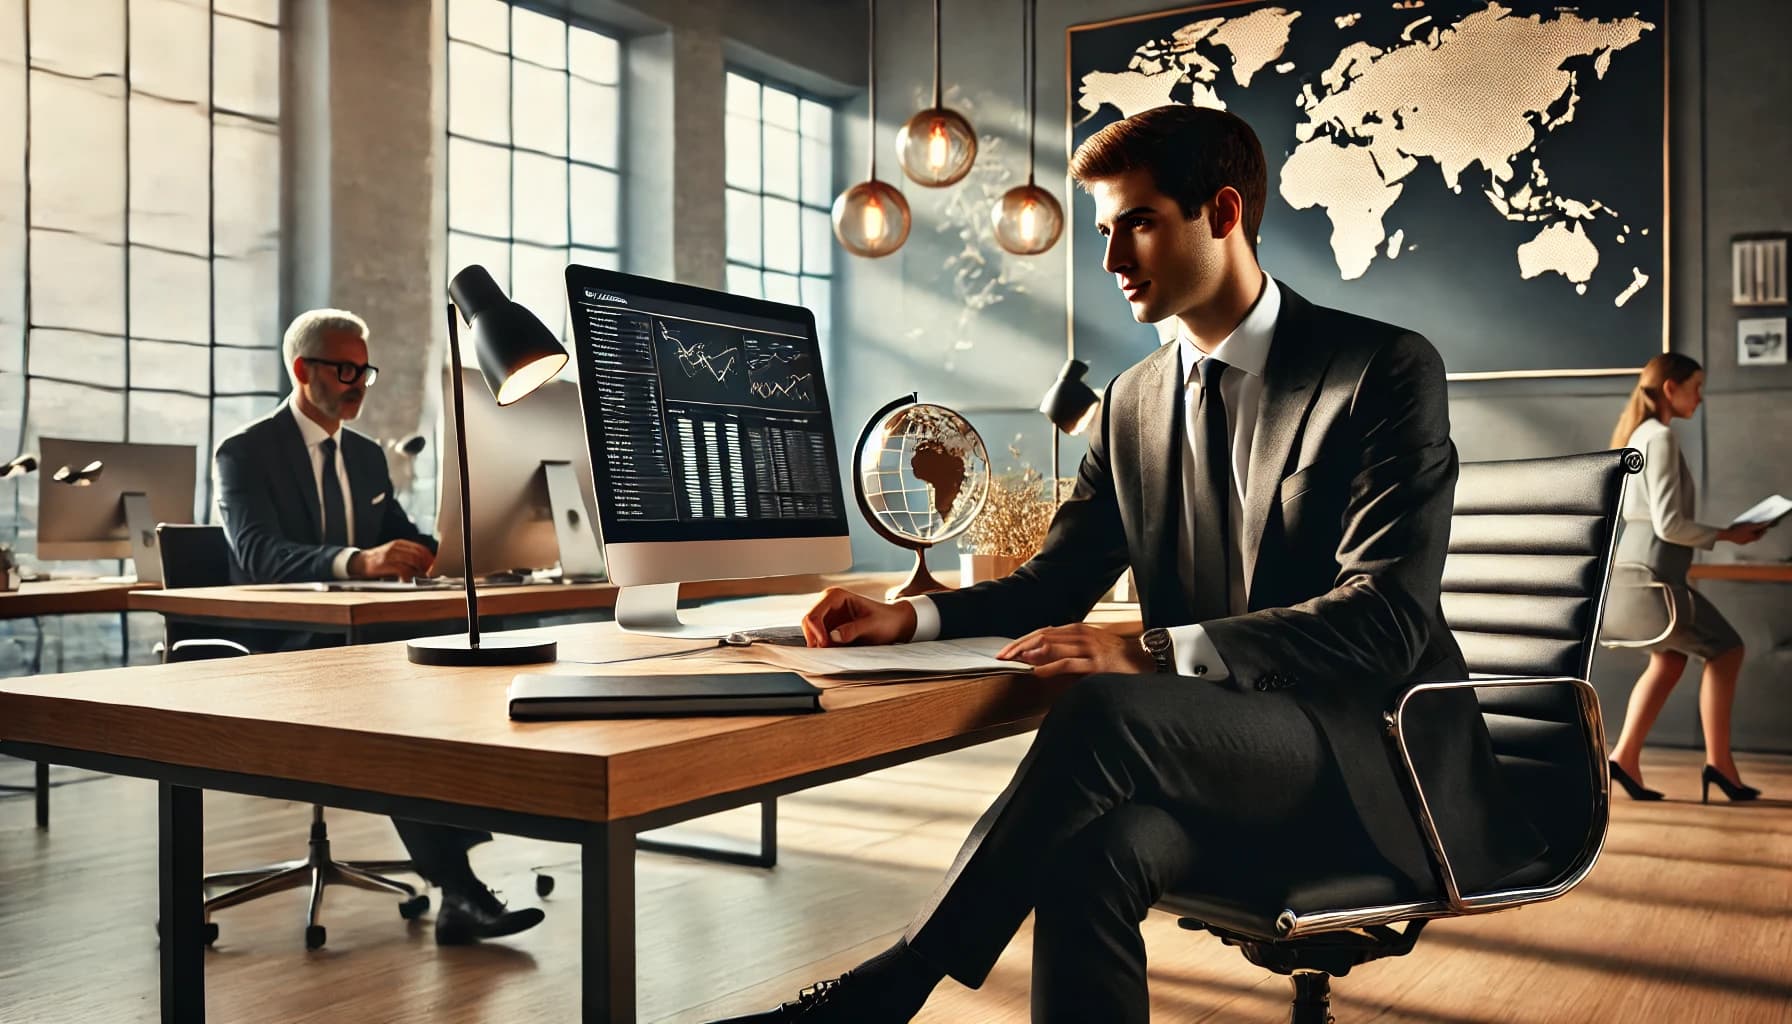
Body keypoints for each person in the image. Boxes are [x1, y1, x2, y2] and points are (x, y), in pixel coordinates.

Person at [710, 105, 1539, 1024]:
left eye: (1137, 223)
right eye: (1104, 231)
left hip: (1364, 754)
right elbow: (1054, 583)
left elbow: (1386, 618)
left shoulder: (1378, 369)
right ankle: (884, 996)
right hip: (1215, 751)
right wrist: (916, 617)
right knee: (1086, 850)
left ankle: (891, 989)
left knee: (1105, 708)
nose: (1111, 262)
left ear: (1222, 212)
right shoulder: (1132, 403)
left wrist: (1149, 653)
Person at [212, 308, 545, 944]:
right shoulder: (245, 452)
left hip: (355, 641)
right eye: (346, 369)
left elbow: (400, 534)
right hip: (276, 650)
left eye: (365, 369)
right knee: (399, 689)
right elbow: (259, 554)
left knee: (442, 667)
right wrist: (356, 560)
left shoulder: (365, 458)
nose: (360, 382)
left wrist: (474, 550)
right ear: (302, 370)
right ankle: (460, 891)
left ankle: (460, 883)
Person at [1602, 353, 1768, 803]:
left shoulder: (1640, 435)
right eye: (1696, 385)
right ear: (1671, 388)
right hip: (1653, 579)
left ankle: (1625, 758)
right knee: (1727, 649)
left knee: (1670, 660)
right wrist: (1728, 534)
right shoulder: (1660, 439)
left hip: (1634, 575)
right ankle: (1720, 766)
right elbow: (1669, 525)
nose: (1701, 395)